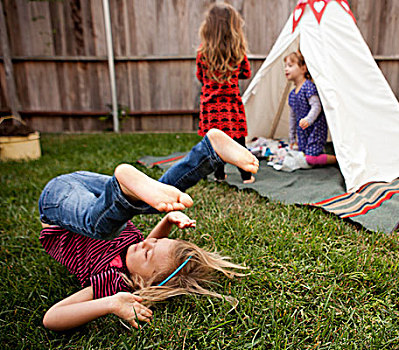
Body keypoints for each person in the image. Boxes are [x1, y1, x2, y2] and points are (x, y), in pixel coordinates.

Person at [39, 129, 259, 331]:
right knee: (152, 202)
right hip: (91, 189)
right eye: (155, 242)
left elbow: (52, 317)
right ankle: (209, 151)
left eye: (147, 252)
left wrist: (111, 303)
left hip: (58, 204)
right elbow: (150, 247)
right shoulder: (136, 249)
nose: (146, 241)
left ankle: (124, 191)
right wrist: (168, 221)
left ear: (143, 282)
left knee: (103, 228)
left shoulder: (115, 282)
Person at [196, 3, 255, 183]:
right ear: (233, 27)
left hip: (211, 107)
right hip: (230, 106)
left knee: (216, 142)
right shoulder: (237, 53)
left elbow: (200, 76)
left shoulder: (202, 53)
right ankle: (246, 175)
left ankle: (219, 175)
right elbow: (246, 73)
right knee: (238, 141)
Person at [284, 51, 337, 166]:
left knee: (311, 159)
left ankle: (337, 160)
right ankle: (318, 154)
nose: (286, 69)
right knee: (304, 153)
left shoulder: (308, 86)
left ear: (303, 68)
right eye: (285, 66)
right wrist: (292, 138)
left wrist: (308, 120)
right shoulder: (292, 94)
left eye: (290, 66)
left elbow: (317, 106)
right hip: (303, 130)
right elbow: (292, 117)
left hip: (315, 128)